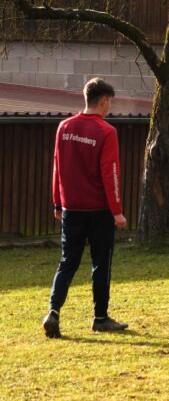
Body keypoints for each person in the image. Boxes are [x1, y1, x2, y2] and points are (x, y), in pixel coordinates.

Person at [43, 77, 129, 338]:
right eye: (110, 103)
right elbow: (110, 172)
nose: (109, 108)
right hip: (99, 210)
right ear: (103, 101)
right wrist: (117, 211)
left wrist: (58, 201)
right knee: (101, 262)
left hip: (71, 208)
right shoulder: (106, 131)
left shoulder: (64, 127)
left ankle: (53, 311)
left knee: (67, 261)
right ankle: (100, 318)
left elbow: (58, 166)